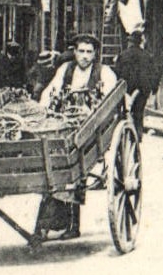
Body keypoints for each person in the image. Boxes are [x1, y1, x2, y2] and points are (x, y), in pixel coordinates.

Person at [36, 32, 119, 241]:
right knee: (52, 165)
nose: (84, 56)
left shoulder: (105, 72)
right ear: (74, 52)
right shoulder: (66, 70)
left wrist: (93, 118)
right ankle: (46, 224)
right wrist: (42, 113)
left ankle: (73, 226)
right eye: (81, 51)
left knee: (75, 168)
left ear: (95, 54)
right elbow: (50, 92)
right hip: (64, 123)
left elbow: (109, 101)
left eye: (89, 52)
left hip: (90, 128)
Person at [115, 26, 162, 134]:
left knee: (125, 112)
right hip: (143, 90)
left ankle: (126, 133)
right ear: (141, 42)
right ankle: (138, 134)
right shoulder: (148, 56)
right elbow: (154, 73)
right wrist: (154, 88)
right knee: (139, 113)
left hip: (126, 89)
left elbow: (117, 73)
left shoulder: (123, 55)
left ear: (131, 42)